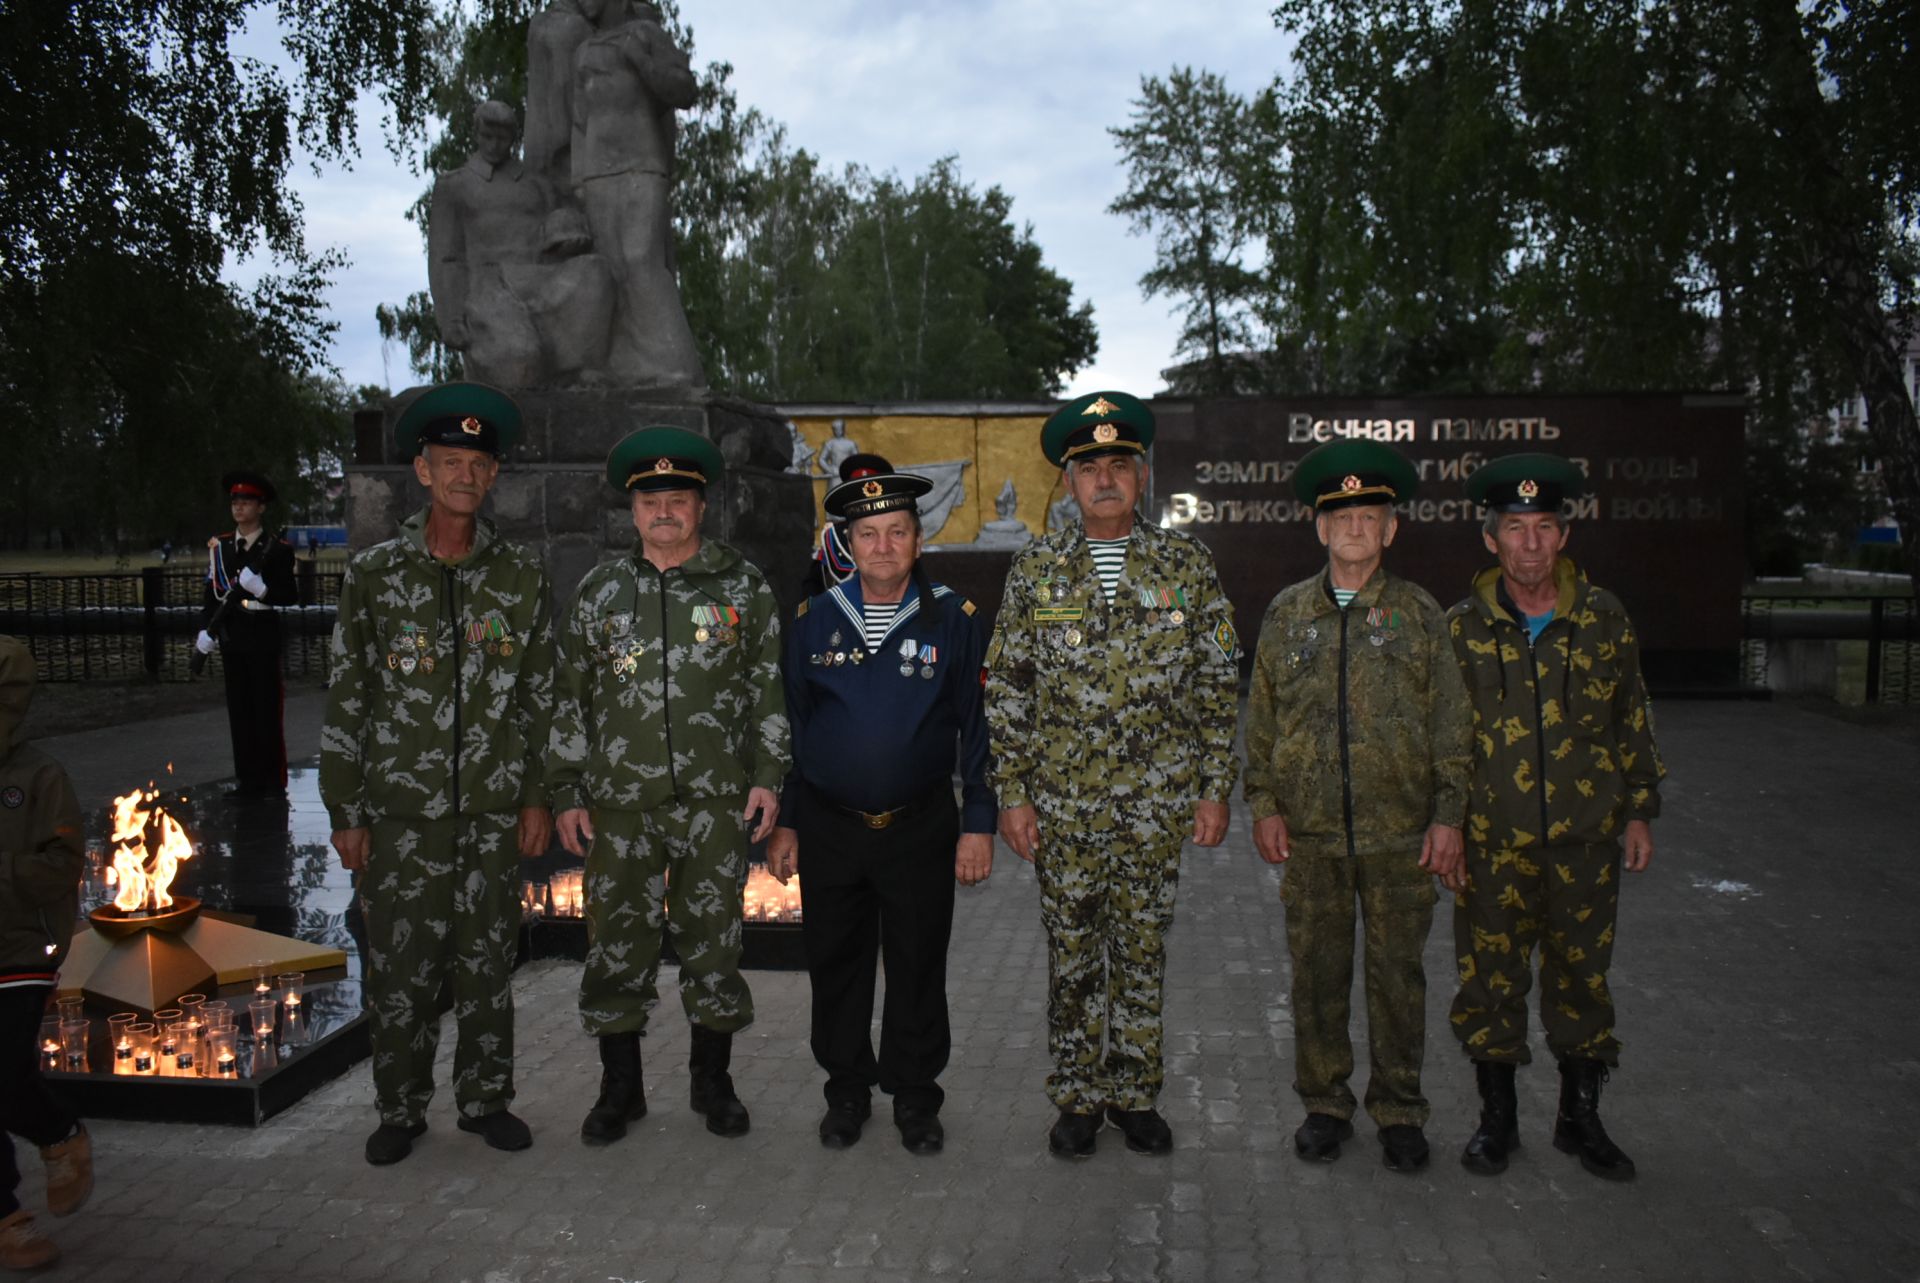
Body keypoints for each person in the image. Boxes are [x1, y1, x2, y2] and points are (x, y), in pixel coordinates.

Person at [984, 391, 1240, 1158]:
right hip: (1063, 805)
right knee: (1070, 950)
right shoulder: (1036, 571)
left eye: (1118, 465)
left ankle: (1135, 1093)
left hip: (1157, 804)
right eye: (1088, 466)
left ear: (1142, 476)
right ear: (1068, 484)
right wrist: (1015, 792)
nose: (1104, 478)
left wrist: (1213, 785)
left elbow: (1218, 677)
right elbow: (1008, 686)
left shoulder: (1186, 565)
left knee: (1141, 948)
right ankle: (1077, 1096)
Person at [320, 382, 557, 1167]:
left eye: (478, 463)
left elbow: (536, 697)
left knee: (489, 963)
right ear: (422, 471)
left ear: (492, 478)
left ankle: (486, 1098)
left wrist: (535, 795)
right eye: (450, 461)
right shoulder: (376, 576)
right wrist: (345, 807)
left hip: (491, 810)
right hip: (400, 814)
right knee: (402, 969)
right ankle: (400, 1105)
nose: (465, 474)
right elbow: (349, 696)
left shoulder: (518, 577)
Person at [549, 425, 787, 1146]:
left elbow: (768, 692)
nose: (664, 510)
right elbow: (571, 698)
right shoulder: (600, 591)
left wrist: (770, 776)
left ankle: (713, 1084)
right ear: (632, 507)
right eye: (651, 498)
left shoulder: (741, 585)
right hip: (619, 808)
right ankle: (620, 1089)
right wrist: (565, 789)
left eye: (678, 496)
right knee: (616, 947)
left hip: (714, 804)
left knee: (714, 946)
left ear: (701, 505)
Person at [1241, 438, 1472, 1172]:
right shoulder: (1287, 614)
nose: (1354, 527)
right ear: (1319, 528)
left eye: (1368, 515)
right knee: (1315, 973)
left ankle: (1400, 1107)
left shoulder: (1420, 614)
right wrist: (1264, 804)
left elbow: (1451, 723)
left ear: (1390, 529)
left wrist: (1449, 815)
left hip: (1400, 833)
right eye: (1340, 515)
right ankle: (1325, 1103)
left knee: (1399, 976)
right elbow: (1263, 718)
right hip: (1310, 837)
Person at [1447, 452, 1666, 1182]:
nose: (1532, 543)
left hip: (1585, 842)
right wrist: (1444, 826)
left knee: (1583, 983)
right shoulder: (1460, 629)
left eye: (1545, 527)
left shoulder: (1604, 618)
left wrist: (1640, 808)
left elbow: (1633, 716)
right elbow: (1441, 745)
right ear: (1491, 539)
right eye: (1516, 528)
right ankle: (1497, 1120)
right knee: (1489, 984)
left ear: (1563, 536)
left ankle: (1580, 1119)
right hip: (1491, 846)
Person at [765, 469, 995, 1156]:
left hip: (921, 824)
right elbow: (795, 729)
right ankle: (846, 1091)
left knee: (918, 961)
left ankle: (917, 1097)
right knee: (837, 962)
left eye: (897, 531)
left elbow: (979, 727)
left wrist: (978, 821)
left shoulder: (953, 619)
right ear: (848, 543)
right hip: (832, 827)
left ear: (919, 539)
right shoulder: (813, 621)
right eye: (868, 533)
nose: (884, 544)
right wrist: (788, 820)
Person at [0, 637, 90, 1272]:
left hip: (20, 948)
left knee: (4, 1077)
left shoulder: (38, 776)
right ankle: (7, 1217)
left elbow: (61, 865)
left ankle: (59, 1136)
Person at [570, 0, 705, 386]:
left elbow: (684, 90)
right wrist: (579, 177)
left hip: (641, 161)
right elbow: (579, 121)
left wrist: (642, 63)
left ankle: (675, 365)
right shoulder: (584, 51)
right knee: (611, 266)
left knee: (641, 256)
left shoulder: (646, 35)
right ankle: (624, 367)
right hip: (598, 170)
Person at [427, 100, 554, 387]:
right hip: (489, 292)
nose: (495, 146)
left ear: (513, 138)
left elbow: (556, 238)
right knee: (521, 360)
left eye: (502, 138)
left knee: (594, 276)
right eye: (488, 136)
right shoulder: (454, 186)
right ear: (476, 133)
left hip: (542, 284)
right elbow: (445, 258)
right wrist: (451, 319)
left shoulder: (536, 185)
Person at [196, 470, 297, 801]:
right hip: (232, 633)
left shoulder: (277, 549)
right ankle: (247, 780)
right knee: (239, 710)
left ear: (261, 507)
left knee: (266, 709)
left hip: (262, 631)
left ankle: (270, 781)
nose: (239, 508)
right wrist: (204, 628)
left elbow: (289, 595)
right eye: (235, 502)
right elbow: (212, 593)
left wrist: (264, 590)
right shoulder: (221, 547)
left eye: (247, 502)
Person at [801, 452, 895, 598]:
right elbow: (812, 587)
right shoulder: (834, 536)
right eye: (859, 495)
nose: (865, 503)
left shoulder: (897, 535)